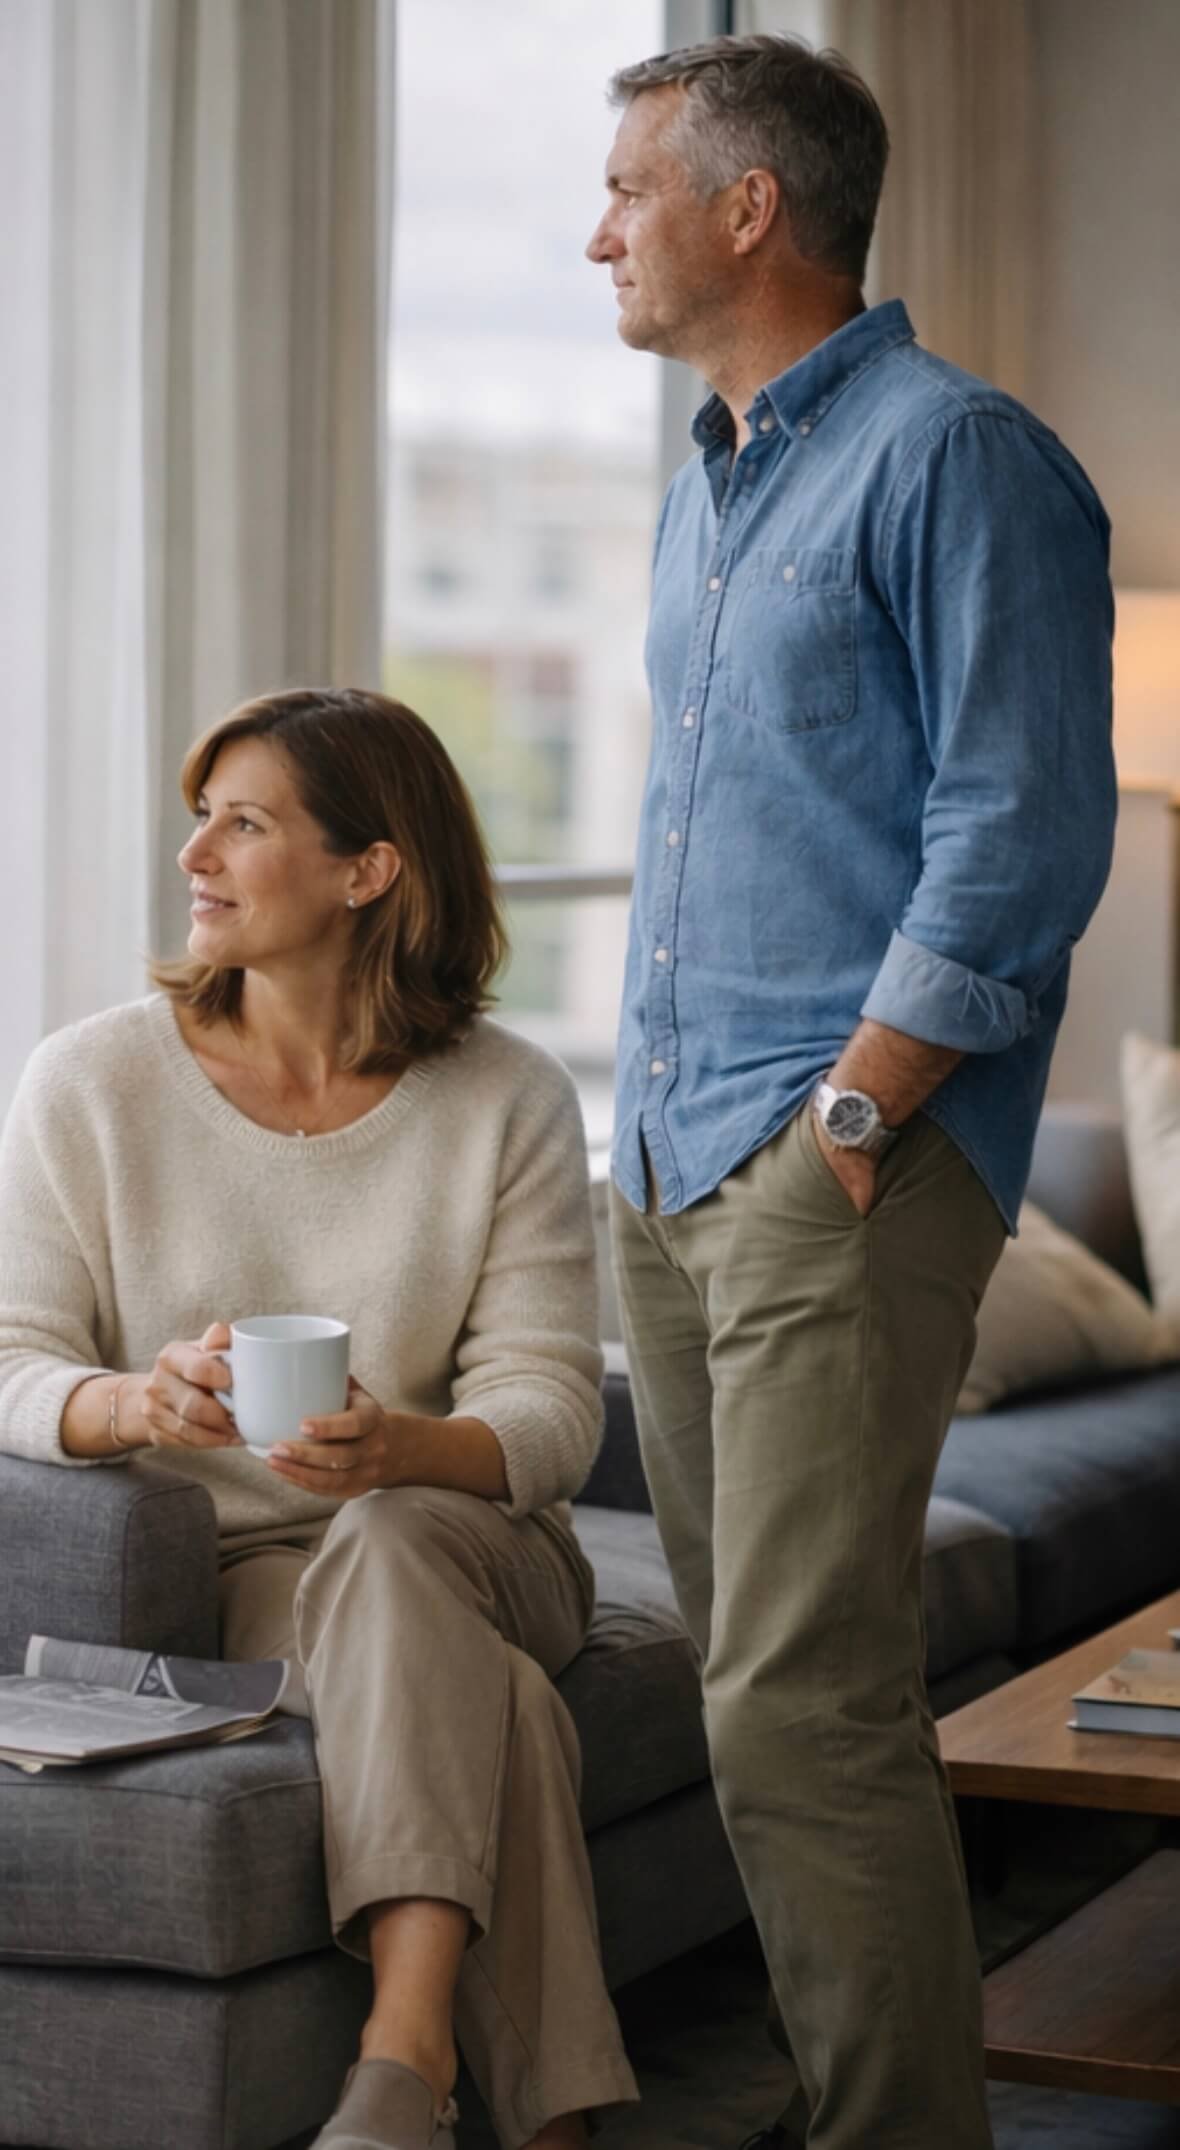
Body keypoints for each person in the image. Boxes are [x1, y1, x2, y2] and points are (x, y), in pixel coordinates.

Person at [587, 32, 1116, 2150]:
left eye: (629, 186)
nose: (595, 228)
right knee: (758, 1698)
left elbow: (1016, 833)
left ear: (747, 207)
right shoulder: (704, 485)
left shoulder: (952, 455)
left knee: (800, 1710)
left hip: (835, 1162)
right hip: (665, 1152)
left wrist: (853, 1115)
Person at [0, 686, 638, 2150]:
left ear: (371, 868)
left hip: (484, 1539)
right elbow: (11, 1357)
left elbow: (548, 1399)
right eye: (197, 818)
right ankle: (510, 2115)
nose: (196, 855)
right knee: (507, 1713)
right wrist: (133, 1401)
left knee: (403, 1538)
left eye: (246, 821)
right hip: (261, 1580)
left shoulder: (504, 1096)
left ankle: (402, 2051)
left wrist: (405, 1450)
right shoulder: (89, 1085)